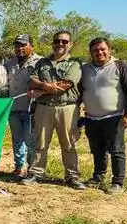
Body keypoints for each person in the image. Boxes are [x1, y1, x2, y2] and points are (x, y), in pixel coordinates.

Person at [22, 31, 85, 190]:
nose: (60, 44)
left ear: (71, 44)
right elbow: (32, 80)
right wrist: (45, 86)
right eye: (57, 41)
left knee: (68, 144)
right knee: (40, 143)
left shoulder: (75, 63)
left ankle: (72, 177)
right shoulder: (42, 62)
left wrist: (40, 91)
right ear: (53, 43)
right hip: (44, 109)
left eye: (64, 41)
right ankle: (36, 173)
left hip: (67, 108)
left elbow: (67, 84)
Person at [79, 37, 127, 194]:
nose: (99, 52)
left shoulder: (120, 66)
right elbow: (80, 91)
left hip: (115, 117)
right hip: (91, 117)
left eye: (103, 49)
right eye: (95, 50)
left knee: (116, 150)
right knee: (97, 149)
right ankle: (98, 177)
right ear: (90, 53)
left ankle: (118, 182)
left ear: (109, 49)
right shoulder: (85, 69)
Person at [3, 34, 41, 176]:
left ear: (31, 46)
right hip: (13, 108)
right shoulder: (8, 64)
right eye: (17, 45)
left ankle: (32, 170)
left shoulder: (40, 62)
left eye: (23, 45)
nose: (20, 48)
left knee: (31, 141)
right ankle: (19, 167)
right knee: (17, 139)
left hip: (32, 109)